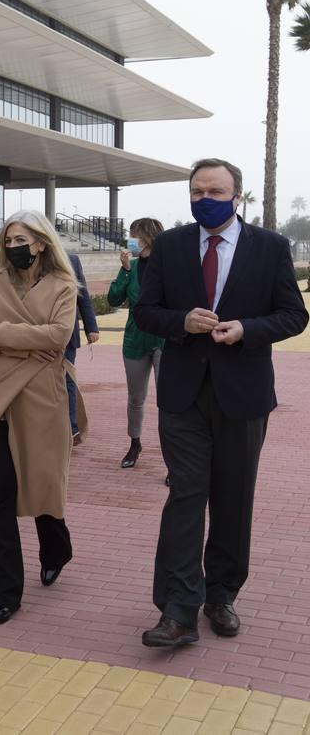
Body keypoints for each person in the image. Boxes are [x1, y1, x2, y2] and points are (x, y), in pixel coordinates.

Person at [133, 159, 308, 648]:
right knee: (186, 495)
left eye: (215, 189)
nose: (204, 197)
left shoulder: (270, 247)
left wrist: (248, 330)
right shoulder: (169, 245)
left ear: (237, 196)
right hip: (183, 394)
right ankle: (177, 609)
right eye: (196, 190)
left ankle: (222, 595)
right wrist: (181, 322)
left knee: (233, 499)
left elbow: (295, 315)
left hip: (244, 394)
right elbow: (146, 312)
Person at [0, 210, 86, 625]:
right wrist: (4, 337)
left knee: (41, 484)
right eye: (8, 240)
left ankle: (56, 548)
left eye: (20, 239)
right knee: (1, 494)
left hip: (42, 398)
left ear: (40, 242)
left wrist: (2, 335)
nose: (13, 246)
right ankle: (2, 592)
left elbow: (58, 336)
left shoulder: (63, 285)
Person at [108, 218, 164, 470]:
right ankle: (135, 443)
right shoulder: (130, 265)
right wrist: (124, 270)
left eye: (134, 234)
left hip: (165, 339)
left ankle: (173, 456)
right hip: (135, 338)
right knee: (135, 397)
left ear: (148, 237)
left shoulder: (168, 266)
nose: (131, 239)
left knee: (169, 399)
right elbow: (113, 299)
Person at [65, 253, 99, 444]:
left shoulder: (72, 260)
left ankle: (72, 428)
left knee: (67, 380)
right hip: (39, 337)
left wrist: (91, 327)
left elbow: (83, 296)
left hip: (67, 335)